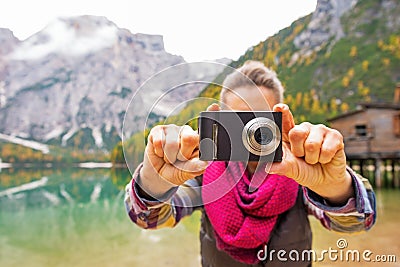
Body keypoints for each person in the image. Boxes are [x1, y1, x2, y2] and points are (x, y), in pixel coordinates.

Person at [124, 60, 376, 267]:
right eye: (239, 120)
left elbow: (356, 222)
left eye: (260, 121)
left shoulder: (301, 174)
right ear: (221, 123)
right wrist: (152, 185)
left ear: (280, 120)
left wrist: (336, 189)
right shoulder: (203, 174)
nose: (250, 133)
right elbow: (152, 219)